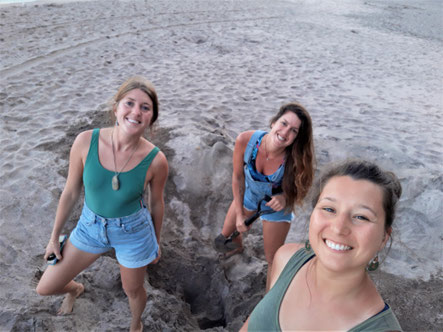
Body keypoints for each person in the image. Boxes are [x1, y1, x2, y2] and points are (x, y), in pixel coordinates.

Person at [36, 76, 168, 332]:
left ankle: (135, 326)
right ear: (116, 108)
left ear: (151, 118)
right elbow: (71, 192)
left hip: (133, 233)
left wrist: (156, 242)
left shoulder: (156, 160)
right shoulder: (85, 141)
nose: (135, 112)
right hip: (89, 227)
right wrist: (54, 237)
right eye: (129, 103)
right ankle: (76, 289)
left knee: (132, 290)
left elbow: (157, 205)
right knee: (45, 288)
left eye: (145, 107)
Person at [241, 160, 403, 331]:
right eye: (329, 209)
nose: (339, 228)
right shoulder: (286, 258)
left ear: (384, 237)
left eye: (361, 217)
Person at [216, 102, 315, 291]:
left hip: (275, 207)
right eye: (284, 123)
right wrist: (239, 215)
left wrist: (286, 197)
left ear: (296, 138)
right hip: (250, 195)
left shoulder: (295, 158)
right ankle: (237, 247)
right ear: (273, 122)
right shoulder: (245, 141)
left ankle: (269, 298)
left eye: (293, 131)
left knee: (273, 259)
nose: (285, 133)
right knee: (226, 235)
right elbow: (237, 177)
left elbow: (303, 186)